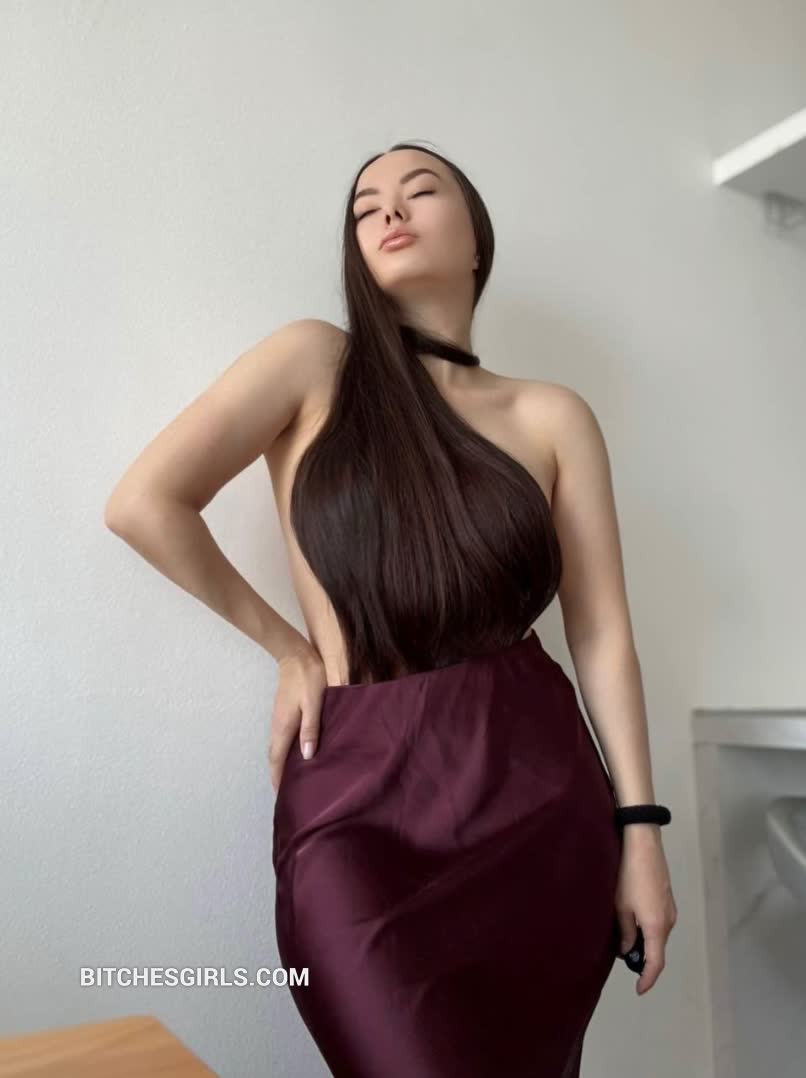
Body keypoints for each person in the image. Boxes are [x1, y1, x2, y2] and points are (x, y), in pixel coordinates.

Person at [105, 141, 677, 1077]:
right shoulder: (312, 362)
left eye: (419, 190)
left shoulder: (551, 416)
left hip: (536, 798)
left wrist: (640, 829)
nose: (389, 211)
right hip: (355, 797)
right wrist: (289, 650)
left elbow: (602, 633)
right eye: (366, 207)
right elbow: (144, 504)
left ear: (477, 239)